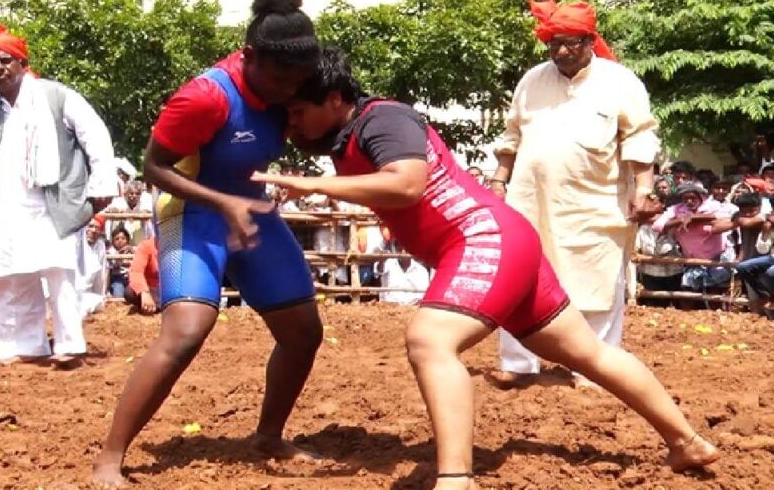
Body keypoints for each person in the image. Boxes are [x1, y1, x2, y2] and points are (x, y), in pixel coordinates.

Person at [254, 47, 719, 490]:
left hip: (482, 239)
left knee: (430, 340)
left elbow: (408, 183)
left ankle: (456, 480)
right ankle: (687, 442)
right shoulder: (350, 136)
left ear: (335, 99)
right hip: (504, 244)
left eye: (297, 112)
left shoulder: (383, 118)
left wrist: (304, 182)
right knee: (587, 354)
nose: (292, 125)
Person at [92, 0, 323, 487]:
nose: (290, 91)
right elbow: (154, 168)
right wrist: (223, 203)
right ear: (252, 57)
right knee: (187, 332)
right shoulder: (205, 96)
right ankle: (110, 455)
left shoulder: (295, 82)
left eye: (298, 80)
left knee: (304, 331)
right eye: (281, 78)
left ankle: (268, 435)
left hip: (251, 210)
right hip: (192, 211)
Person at [489, 0, 662, 388]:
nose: (561, 51)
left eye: (570, 43)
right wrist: (499, 182)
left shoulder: (620, 82)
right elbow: (511, 135)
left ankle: (593, 369)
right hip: (529, 200)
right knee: (521, 278)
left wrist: (644, 189)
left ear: (590, 41)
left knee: (596, 283)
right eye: (554, 43)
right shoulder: (532, 80)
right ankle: (517, 363)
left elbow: (639, 136)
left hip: (595, 203)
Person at [0, 25, 117, 366]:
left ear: (22, 62)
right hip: (6, 206)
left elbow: (94, 134)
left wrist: (102, 185)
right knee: (9, 276)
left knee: (58, 273)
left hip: (50, 203)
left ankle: (70, 344)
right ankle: (21, 346)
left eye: (6, 60)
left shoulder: (55, 95)